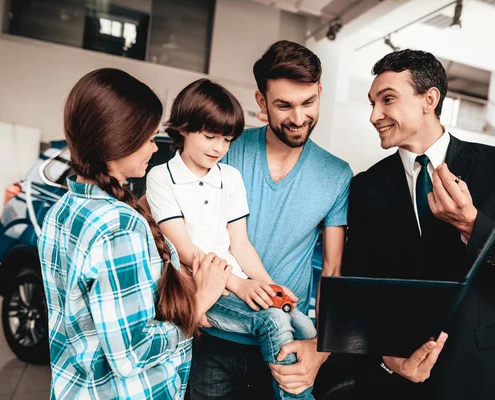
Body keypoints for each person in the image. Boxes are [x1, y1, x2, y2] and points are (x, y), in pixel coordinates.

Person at [342, 49, 495, 400]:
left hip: (481, 374)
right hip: (399, 382)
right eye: (372, 103)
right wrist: (386, 359)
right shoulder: (367, 185)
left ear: (429, 99)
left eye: (387, 100)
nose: (374, 115)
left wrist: (473, 223)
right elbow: (358, 289)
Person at [37, 68, 231, 399]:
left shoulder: (62, 209)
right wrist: (200, 302)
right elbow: (132, 353)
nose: (155, 149)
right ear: (118, 138)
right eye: (149, 138)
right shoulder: (119, 227)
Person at [187, 40, 354, 399]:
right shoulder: (225, 150)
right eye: (284, 105)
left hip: (284, 345)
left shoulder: (337, 175)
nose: (298, 117)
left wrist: (320, 352)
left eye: (308, 102)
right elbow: (186, 230)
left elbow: (332, 270)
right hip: (214, 337)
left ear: (320, 91)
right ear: (261, 103)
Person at [144, 78, 318, 400]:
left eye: (226, 140)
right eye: (210, 137)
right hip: (200, 286)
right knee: (274, 319)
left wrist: (270, 286)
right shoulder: (161, 178)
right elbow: (185, 250)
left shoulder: (230, 177)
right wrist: (240, 286)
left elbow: (240, 244)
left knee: (304, 325)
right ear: (183, 128)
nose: (218, 148)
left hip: (235, 280)